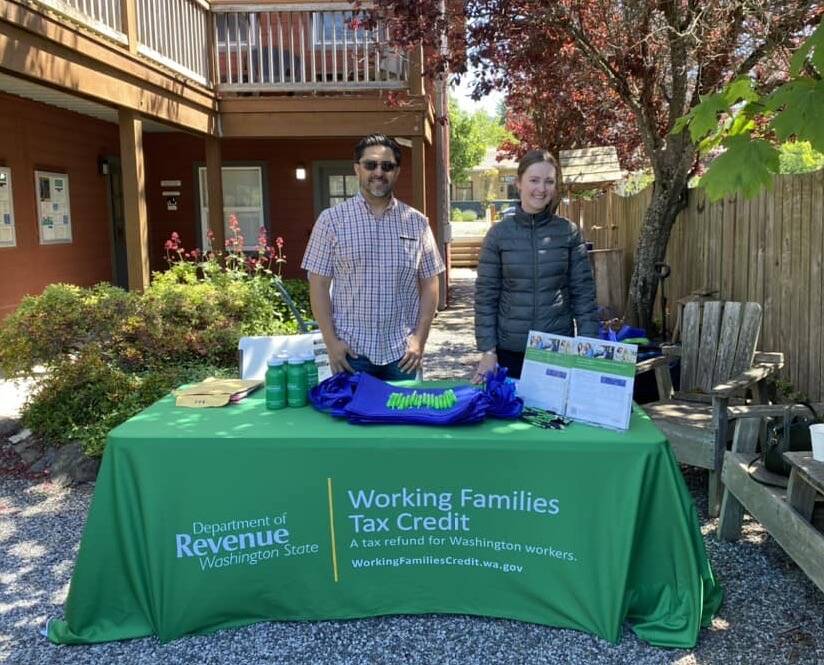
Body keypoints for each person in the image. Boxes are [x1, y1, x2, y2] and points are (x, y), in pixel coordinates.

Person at [302, 134, 445, 380]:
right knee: (350, 418)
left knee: (402, 418)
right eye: (370, 165)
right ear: (357, 168)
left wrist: (420, 339)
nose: (379, 172)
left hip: (403, 355)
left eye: (387, 166)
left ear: (397, 172)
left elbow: (430, 284)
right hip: (351, 354)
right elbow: (318, 285)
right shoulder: (331, 221)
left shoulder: (417, 223)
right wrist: (331, 342)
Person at [473, 149, 599, 382]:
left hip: (557, 352)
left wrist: (588, 348)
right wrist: (488, 351)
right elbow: (485, 297)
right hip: (510, 352)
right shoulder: (498, 235)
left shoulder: (568, 233)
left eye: (549, 181)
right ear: (519, 183)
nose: (541, 189)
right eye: (534, 180)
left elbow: (584, 295)